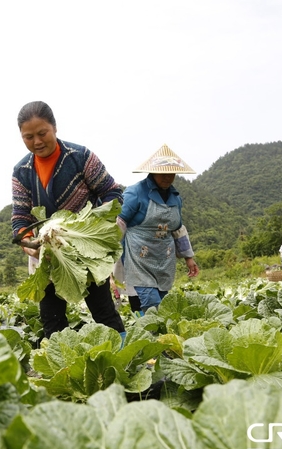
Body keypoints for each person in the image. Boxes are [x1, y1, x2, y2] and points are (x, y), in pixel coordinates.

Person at [11, 100, 126, 340]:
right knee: (51, 317)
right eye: (28, 137)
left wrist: (91, 228)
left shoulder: (80, 157)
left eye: (42, 133)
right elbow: (20, 219)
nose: (37, 142)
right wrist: (28, 242)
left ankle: (125, 357)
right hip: (50, 255)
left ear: (54, 127)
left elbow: (112, 194)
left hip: (86, 250)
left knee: (103, 311)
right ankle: (60, 364)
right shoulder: (22, 171)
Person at [117, 144, 200, 315]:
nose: (167, 177)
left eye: (171, 173)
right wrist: (109, 255)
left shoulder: (175, 198)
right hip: (139, 261)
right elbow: (119, 223)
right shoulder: (135, 193)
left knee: (162, 302)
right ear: (152, 171)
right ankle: (152, 336)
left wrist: (188, 258)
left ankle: (156, 336)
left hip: (164, 260)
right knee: (150, 303)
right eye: (163, 172)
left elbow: (178, 229)